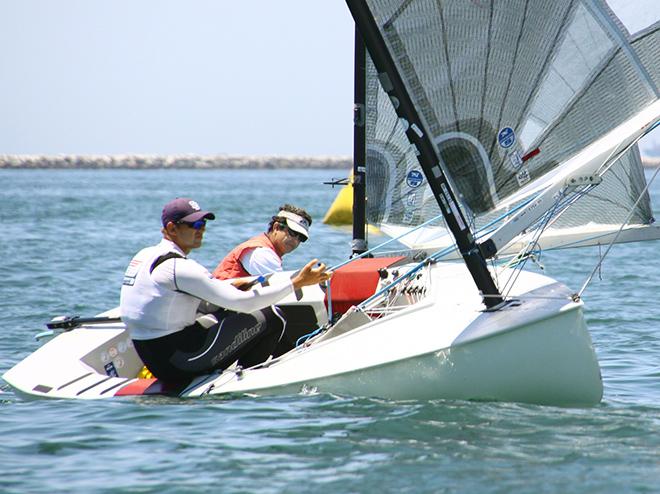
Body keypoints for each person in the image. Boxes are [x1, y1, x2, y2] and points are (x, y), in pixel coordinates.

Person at [119, 197, 331, 382]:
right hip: (178, 361)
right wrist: (297, 282)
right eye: (194, 224)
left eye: (203, 223)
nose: (201, 229)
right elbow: (244, 304)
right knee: (273, 317)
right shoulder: (179, 267)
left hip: (153, 354)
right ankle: (248, 380)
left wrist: (230, 285)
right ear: (172, 229)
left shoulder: (145, 255)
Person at [212, 204, 312, 280]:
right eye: (293, 233)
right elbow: (282, 291)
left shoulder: (267, 250)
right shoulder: (261, 253)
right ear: (276, 227)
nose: (295, 240)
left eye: (301, 238)